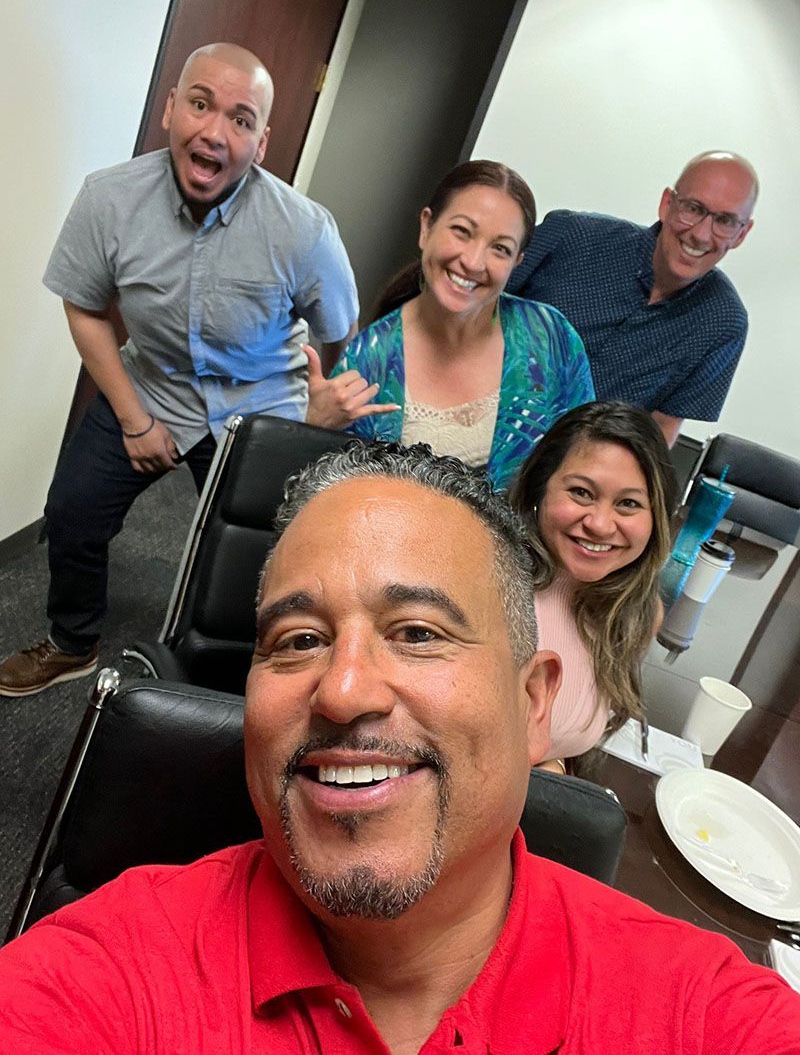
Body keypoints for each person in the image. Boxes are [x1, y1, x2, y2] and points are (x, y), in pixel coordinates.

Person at [0, 441, 798, 1054]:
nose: (343, 690)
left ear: (533, 704)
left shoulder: (692, 1007)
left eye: (417, 632)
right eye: (299, 639)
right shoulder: (113, 969)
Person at [0, 42, 358, 698]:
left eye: (241, 120)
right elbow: (85, 308)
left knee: (266, 557)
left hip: (260, 405)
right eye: (200, 104)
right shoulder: (109, 199)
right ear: (170, 107)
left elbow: (338, 331)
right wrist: (134, 421)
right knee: (73, 510)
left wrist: (314, 416)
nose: (215, 132)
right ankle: (72, 642)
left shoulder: (305, 230)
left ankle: (243, 675)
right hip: (151, 384)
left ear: (261, 142)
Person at [305, 159, 594, 491]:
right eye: (462, 231)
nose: (473, 262)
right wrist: (314, 427)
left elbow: (588, 459)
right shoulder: (370, 360)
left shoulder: (551, 338)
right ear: (426, 227)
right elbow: (330, 494)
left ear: (517, 262)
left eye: (500, 249)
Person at [507, 150, 758, 446]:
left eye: (725, 221)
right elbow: (477, 304)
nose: (702, 235)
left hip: (575, 466)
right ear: (667, 204)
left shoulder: (724, 322)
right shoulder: (571, 236)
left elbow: (661, 428)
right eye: (693, 208)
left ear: (741, 234)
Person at [510, 402, 678, 769]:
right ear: (541, 488)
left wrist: (554, 770)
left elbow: (557, 740)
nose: (600, 525)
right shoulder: (486, 582)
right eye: (582, 493)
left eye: (628, 503)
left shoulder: (636, 614)